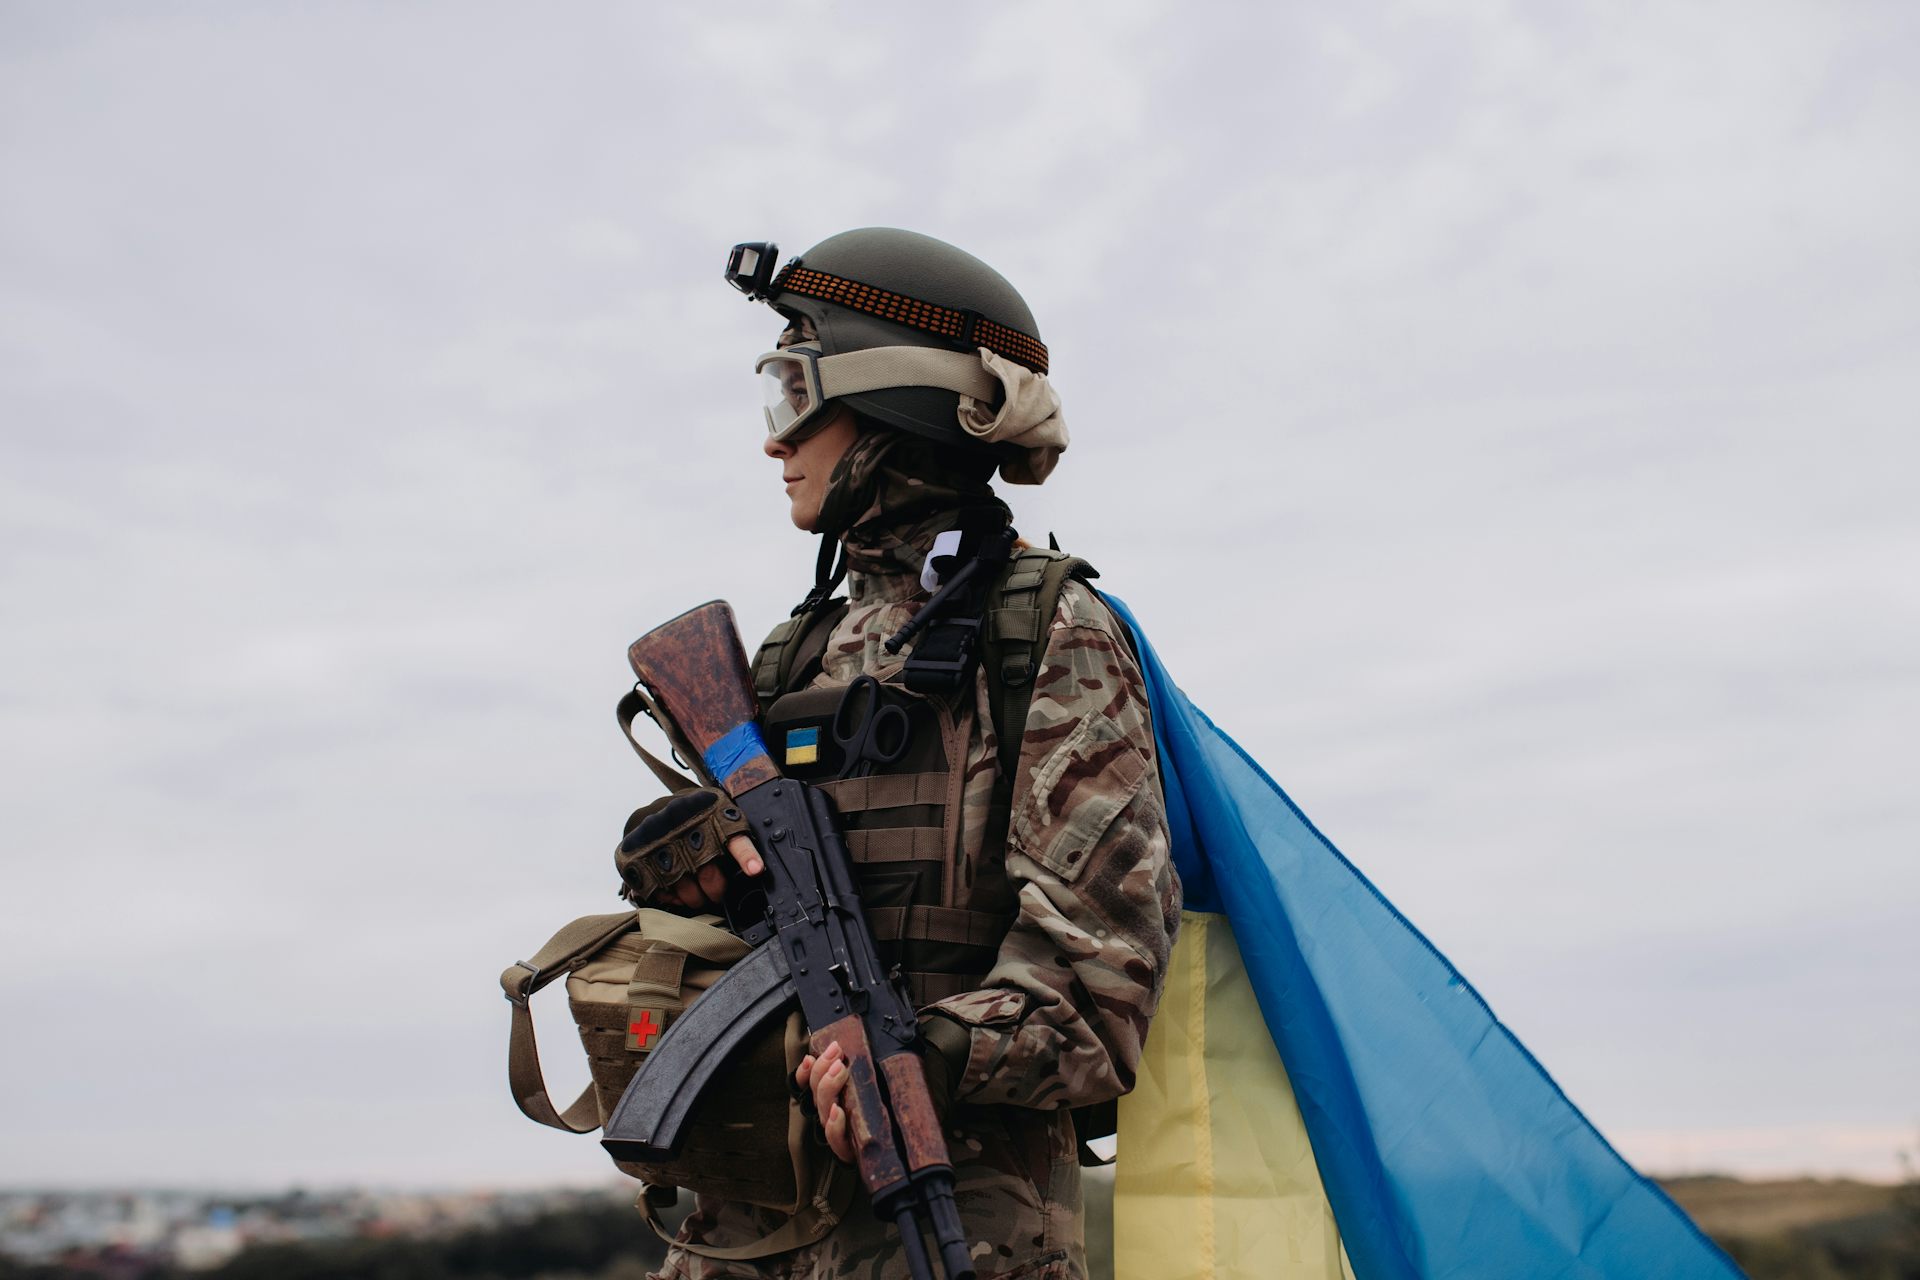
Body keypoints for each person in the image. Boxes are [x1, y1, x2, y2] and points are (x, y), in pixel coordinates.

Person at [648, 228, 1180, 1280]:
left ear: (892, 403)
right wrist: (682, 860)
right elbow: (718, 927)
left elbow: (1101, 969)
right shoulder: (789, 651)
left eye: (793, 392)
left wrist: (930, 1050)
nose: (774, 440)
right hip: (749, 1227)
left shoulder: (1048, 630)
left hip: (951, 1224)